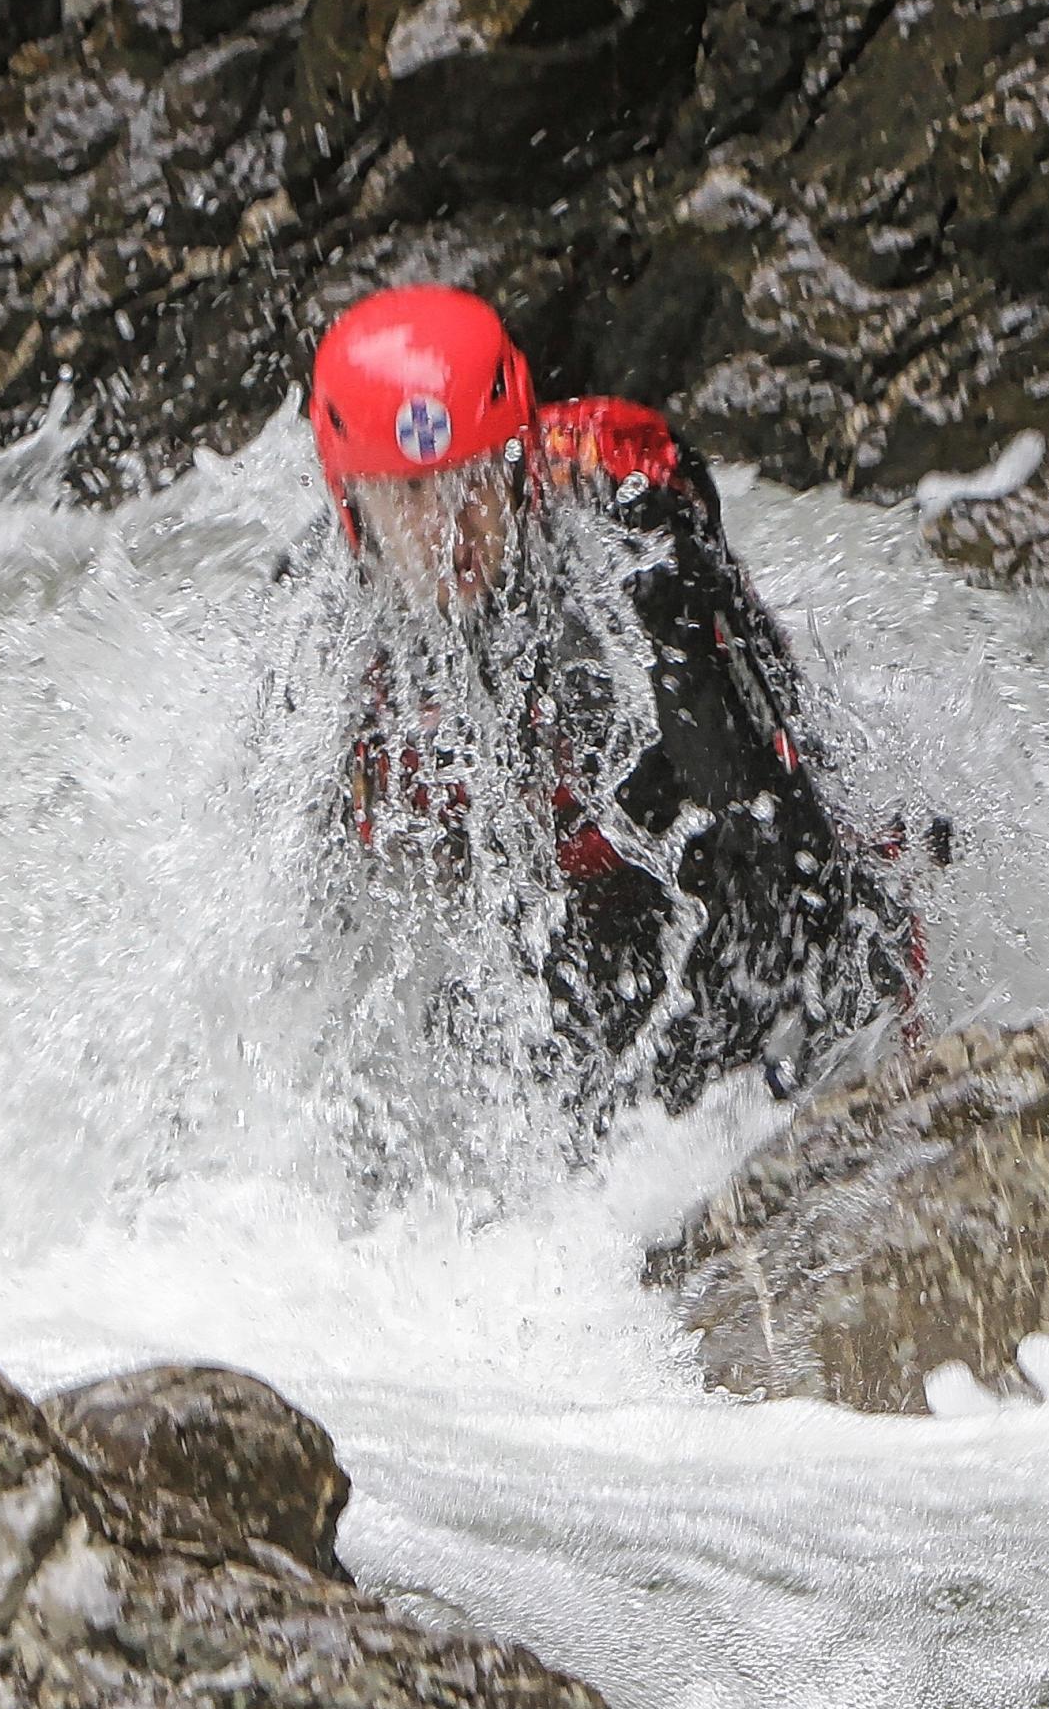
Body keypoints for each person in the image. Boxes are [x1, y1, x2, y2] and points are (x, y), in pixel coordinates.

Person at [306, 283, 923, 1111]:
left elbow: (766, 819)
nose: (449, 531)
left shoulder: (625, 521)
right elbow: (313, 909)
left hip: (698, 836)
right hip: (557, 893)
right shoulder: (326, 642)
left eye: (473, 482)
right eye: (411, 496)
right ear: (354, 504)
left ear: (518, 462)